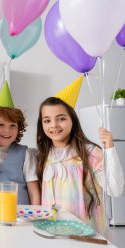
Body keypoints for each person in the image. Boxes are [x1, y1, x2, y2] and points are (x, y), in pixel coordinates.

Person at [37, 97, 124, 230]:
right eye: (47, 120)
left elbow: (115, 189)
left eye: (61, 118)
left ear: (73, 120)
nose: (54, 124)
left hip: (86, 234)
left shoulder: (91, 153)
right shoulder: (43, 155)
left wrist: (110, 149)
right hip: (53, 233)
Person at [0, 105, 41, 205]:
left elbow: (34, 194)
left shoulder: (26, 154)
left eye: (12, 125)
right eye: (0, 125)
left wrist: (35, 218)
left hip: (19, 216)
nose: (7, 131)